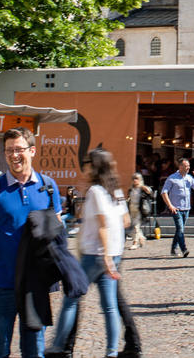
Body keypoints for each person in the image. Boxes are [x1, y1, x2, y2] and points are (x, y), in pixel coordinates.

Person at [0, 128, 63, 358]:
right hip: (0, 283)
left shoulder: (49, 187)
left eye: (19, 149)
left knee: (34, 350)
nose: (14, 155)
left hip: (35, 284)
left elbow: (57, 230)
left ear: (32, 151)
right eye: (9, 150)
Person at [49, 149, 132, 356]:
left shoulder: (95, 191)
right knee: (110, 306)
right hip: (112, 253)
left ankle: (58, 345)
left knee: (71, 299)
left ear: (94, 167)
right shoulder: (116, 191)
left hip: (95, 255)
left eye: (87, 163)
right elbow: (126, 221)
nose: (84, 167)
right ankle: (112, 351)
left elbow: (103, 224)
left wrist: (105, 256)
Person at [160, 157, 194, 258]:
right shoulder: (172, 178)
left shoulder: (189, 178)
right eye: (186, 166)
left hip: (186, 208)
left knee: (179, 230)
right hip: (176, 208)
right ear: (180, 166)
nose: (188, 168)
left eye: (189, 166)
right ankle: (184, 249)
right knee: (180, 229)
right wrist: (170, 206)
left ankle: (173, 249)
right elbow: (164, 192)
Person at [126, 173, 152, 250]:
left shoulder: (142, 188)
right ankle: (141, 237)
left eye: (136, 179)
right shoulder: (131, 189)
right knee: (132, 227)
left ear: (140, 180)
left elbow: (150, 192)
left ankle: (135, 243)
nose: (135, 180)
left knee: (136, 226)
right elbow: (128, 198)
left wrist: (143, 187)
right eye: (133, 179)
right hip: (131, 209)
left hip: (139, 210)